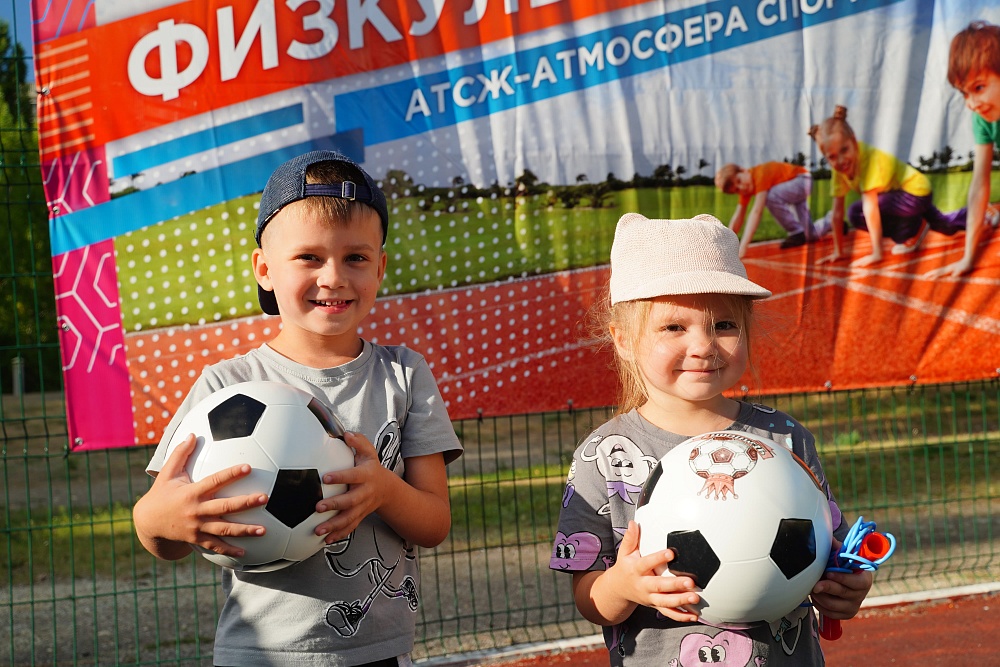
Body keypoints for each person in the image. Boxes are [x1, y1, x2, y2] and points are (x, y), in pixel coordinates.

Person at [132, 150, 463, 667]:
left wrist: (383, 490)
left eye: (356, 258)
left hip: (377, 652)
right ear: (265, 270)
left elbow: (435, 522)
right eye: (309, 257)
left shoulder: (403, 374)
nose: (333, 277)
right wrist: (157, 521)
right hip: (258, 655)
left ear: (380, 268)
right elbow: (163, 530)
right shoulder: (225, 387)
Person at [549, 212, 871, 666]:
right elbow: (589, 598)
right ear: (623, 340)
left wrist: (847, 587)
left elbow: (829, 555)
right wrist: (623, 586)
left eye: (724, 325)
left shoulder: (784, 439)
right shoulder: (603, 456)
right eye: (674, 327)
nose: (703, 346)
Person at [809, 105, 967, 267]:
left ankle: (914, 229)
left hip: (915, 192)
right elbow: (837, 213)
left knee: (869, 208)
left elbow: (871, 207)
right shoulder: (839, 171)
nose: (841, 160)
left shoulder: (868, 158)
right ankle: (975, 214)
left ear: (854, 141)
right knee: (944, 224)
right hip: (900, 197)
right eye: (832, 157)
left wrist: (877, 253)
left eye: (844, 150)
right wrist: (838, 251)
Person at [925, 20, 1000, 279]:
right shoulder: (983, 119)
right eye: (964, 94)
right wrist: (968, 257)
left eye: (979, 88)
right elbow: (979, 184)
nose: (972, 103)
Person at [715, 161, 828, 256]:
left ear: (744, 170)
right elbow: (738, 216)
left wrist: (743, 247)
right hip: (794, 189)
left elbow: (757, 211)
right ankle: (832, 219)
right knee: (810, 235)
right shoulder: (746, 188)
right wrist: (727, 243)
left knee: (770, 197)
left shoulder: (760, 174)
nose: (742, 188)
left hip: (802, 180)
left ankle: (796, 232)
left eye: (739, 181)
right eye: (736, 190)